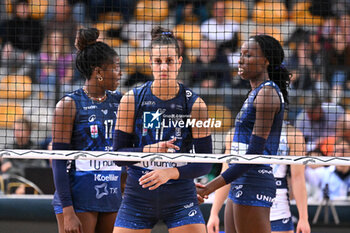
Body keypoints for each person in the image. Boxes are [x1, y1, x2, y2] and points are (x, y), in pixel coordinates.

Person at [113, 26, 213, 233]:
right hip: (137, 198)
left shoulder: (195, 105)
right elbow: (118, 156)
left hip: (180, 197)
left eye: (169, 61)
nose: (164, 67)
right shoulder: (131, 99)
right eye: (158, 62)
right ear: (150, 63)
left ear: (179, 62)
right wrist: (149, 151)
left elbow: (205, 163)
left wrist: (171, 172)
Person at [197, 34, 290, 233]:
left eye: (248, 55)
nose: (240, 60)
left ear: (265, 61)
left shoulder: (267, 94)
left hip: (254, 178)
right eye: (241, 54)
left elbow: (254, 155)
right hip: (241, 178)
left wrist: (210, 186)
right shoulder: (255, 93)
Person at [51, 28, 123, 233]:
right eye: (116, 68)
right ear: (99, 72)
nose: (120, 73)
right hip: (78, 198)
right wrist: (67, 210)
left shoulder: (121, 102)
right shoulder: (68, 105)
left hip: (112, 196)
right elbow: (58, 161)